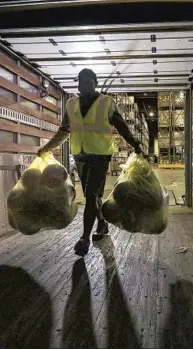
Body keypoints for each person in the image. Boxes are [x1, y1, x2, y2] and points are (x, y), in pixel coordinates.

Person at [38, 68, 143, 256]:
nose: (84, 85)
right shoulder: (71, 104)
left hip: (100, 156)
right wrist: (47, 147)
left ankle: (84, 238)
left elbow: (121, 126)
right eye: (81, 81)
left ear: (95, 82)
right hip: (80, 156)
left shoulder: (106, 103)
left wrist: (135, 144)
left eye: (88, 81)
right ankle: (102, 224)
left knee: (91, 196)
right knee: (92, 195)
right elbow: (64, 130)